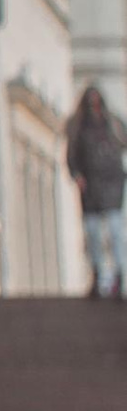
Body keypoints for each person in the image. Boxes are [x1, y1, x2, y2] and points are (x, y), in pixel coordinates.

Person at [66, 84, 125, 298]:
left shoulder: (113, 124)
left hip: (112, 184)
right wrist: (77, 175)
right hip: (91, 187)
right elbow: (71, 154)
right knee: (93, 233)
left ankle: (118, 273)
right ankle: (97, 273)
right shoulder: (79, 127)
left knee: (115, 231)